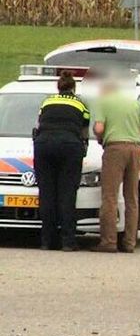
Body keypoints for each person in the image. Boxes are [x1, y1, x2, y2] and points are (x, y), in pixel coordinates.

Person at [90, 76, 140, 254]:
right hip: (135, 149)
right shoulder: (134, 104)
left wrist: (99, 135)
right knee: (131, 197)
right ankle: (130, 242)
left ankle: (109, 241)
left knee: (109, 196)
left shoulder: (103, 102)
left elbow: (99, 128)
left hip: (115, 149)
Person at [33, 70, 89, 252]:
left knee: (47, 193)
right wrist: (83, 149)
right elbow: (84, 131)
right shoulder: (81, 104)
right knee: (67, 193)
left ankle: (47, 241)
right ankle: (68, 241)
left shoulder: (47, 102)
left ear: (58, 87)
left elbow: (38, 125)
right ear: (73, 87)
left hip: (44, 146)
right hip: (69, 146)